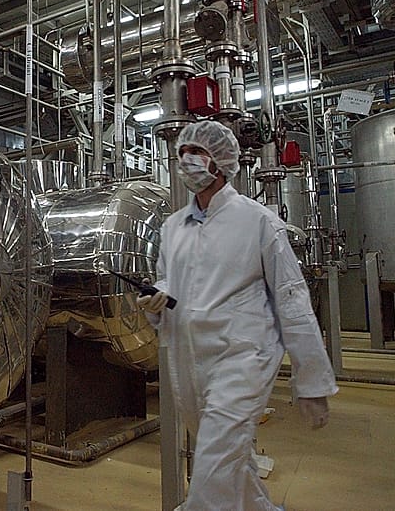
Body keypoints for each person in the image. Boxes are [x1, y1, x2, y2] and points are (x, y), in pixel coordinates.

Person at [138, 120, 338, 511]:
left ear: (222, 161)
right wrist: (157, 300)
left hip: (242, 357)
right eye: (182, 153)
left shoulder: (257, 221)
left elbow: (292, 300)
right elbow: (170, 283)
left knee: (213, 465)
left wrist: (311, 380)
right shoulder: (173, 227)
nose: (187, 160)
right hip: (189, 359)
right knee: (228, 458)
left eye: (197, 152)